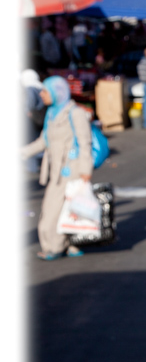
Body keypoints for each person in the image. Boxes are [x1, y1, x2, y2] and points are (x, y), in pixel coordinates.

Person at [20, 76, 93, 260]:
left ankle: (54, 247)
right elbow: (43, 141)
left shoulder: (74, 113)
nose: (41, 95)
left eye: (45, 91)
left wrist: (86, 170)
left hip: (72, 170)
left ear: (57, 92)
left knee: (53, 212)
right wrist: (21, 153)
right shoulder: (52, 113)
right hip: (56, 171)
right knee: (64, 210)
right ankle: (71, 245)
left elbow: (85, 142)